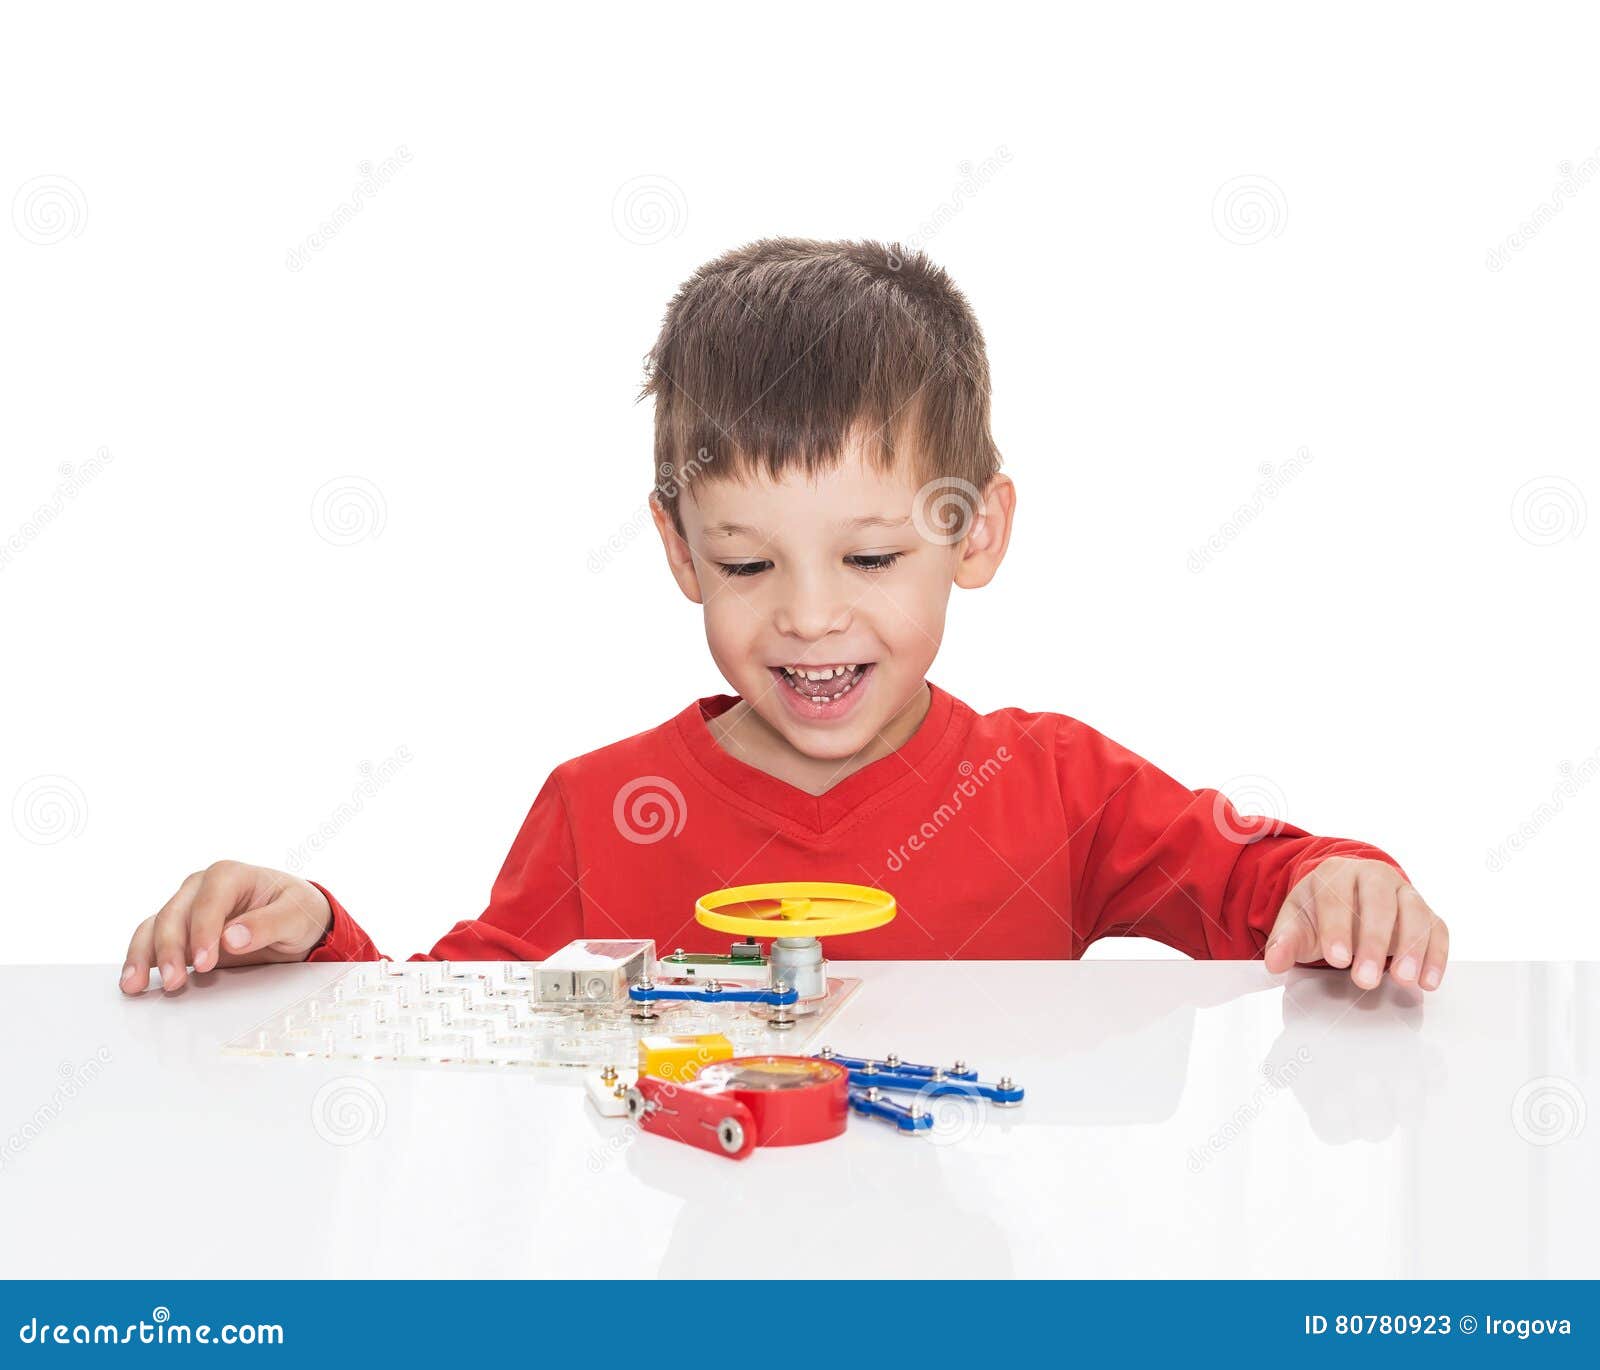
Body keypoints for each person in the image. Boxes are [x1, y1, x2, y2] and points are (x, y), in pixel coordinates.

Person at [119, 238, 1447, 997]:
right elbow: (450, 1013)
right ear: (679, 551)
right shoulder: (599, 806)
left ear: (973, 530)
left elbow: (1259, 881)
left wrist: (1347, 882)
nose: (811, 619)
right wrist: (310, 933)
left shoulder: (1061, 790)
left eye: (869, 553)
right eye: (749, 565)